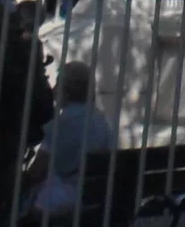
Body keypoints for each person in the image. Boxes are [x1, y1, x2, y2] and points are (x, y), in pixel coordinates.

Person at [23, 62, 116, 221]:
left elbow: (36, 172)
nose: (53, 90)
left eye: (58, 84)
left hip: (62, 203)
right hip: (94, 199)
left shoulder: (59, 127)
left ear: (67, 92)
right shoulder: (102, 122)